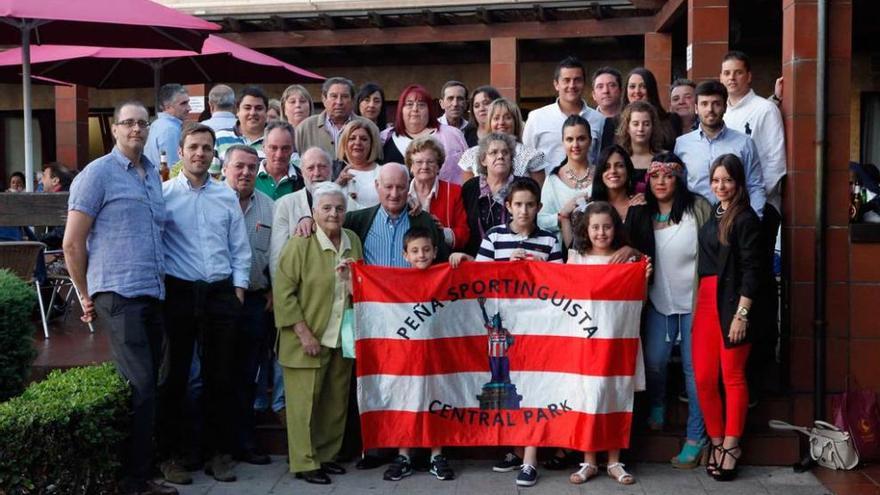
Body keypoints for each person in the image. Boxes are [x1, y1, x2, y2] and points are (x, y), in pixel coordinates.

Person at [63, 100, 176, 495]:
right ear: (114, 129)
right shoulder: (97, 175)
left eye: (142, 123)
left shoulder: (150, 176)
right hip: (118, 293)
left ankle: (145, 466)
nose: (135, 129)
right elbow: (72, 243)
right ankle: (133, 480)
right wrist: (83, 292)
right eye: (127, 123)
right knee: (143, 383)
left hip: (152, 292)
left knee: (156, 382)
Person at [450, 178, 562, 489]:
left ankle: (530, 459)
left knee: (534, 387)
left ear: (539, 207)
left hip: (536, 330)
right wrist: (470, 259)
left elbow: (564, 287)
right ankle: (514, 448)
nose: (524, 211)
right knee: (507, 385)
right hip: (504, 327)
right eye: (518, 205)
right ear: (507, 207)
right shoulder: (495, 237)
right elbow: (479, 279)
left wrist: (542, 268)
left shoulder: (550, 241)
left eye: (530, 205)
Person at [158, 123, 251, 485]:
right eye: (193, 147)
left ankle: (217, 454)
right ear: (180, 152)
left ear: (214, 154)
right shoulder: (164, 195)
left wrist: (238, 290)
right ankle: (172, 455)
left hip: (220, 293)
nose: (200, 153)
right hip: (179, 293)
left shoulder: (226, 196)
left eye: (206, 148)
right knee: (175, 378)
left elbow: (239, 248)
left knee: (220, 377)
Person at [273, 182, 362, 485]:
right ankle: (304, 461)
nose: (333, 214)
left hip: (342, 335)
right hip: (306, 338)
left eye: (339, 208)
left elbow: (361, 285)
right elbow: (283, 292)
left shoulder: (352, 240)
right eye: (326, 208)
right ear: (313, 212)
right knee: (304, 406)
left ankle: (326, 455)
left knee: (334, 402)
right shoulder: (301, 243)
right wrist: (303, 333)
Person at [720, 50, 787, 407]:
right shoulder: (723, 112)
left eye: (737, 72)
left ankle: (761, 375)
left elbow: (774, 165)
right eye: (726, 73)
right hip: (725, 212)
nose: (731, 78)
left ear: (749, 76)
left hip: (758, 213)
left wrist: (752, 213)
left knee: (756, 289)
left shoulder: (765, 110)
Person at [565, 201, 645, 487]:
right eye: (595, 227)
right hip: (586, 345)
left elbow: (641, 300)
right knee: (589, 398)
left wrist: (636, 260)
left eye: (607, 227)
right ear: (586, 229)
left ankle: (614, 460)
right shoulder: (576, 259)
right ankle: (589, 460)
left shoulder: (629, 261)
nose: (601, 233)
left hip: (618, 339)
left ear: (616, 229)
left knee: (617, 395)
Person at [641, 152, 713, 469]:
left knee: (694, 374)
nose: (661, 182)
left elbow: (715, 251)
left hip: (694, 305)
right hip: (658, 303)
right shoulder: (642, 212)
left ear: (679, 178)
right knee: (654, 361)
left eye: (668, 175)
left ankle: (696, 438)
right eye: (655, 176)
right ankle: (656, 403)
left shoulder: (698, 208)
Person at [694, 154, 763, 481]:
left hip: (733, 304)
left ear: (739, 183)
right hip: (706, 302)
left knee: (732, 377)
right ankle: (717, 441)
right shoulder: (714, 214)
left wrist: (742, 314)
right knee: (705, 378)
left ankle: (732, 446)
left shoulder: (746, 218)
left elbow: (753, 270)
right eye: (716, 180)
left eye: (728, 180)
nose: (721, 186)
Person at [382, 228, 456, 482]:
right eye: (414, 251)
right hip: (407, 357)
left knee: (437, 403)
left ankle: (437, 455)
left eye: (426, 250)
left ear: (435, 251)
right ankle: (404, 455)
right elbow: (370, 294)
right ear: (405, 255)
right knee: (406, 403)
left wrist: (463, 260)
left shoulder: (445, 276)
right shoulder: (397, 280)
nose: (421, 255)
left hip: (437, 356)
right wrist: (352, 278)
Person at [222, 144, 274, 467]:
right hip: (217, 300)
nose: (245, 173)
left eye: (252, 168)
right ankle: (217, 444)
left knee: (247, 376)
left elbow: (278, 255)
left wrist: (273, 289)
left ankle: (245, 442)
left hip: (255, 300)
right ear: (225, 168)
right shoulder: (213, 202)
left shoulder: (269, 207)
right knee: (216, 374)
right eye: (239, 166)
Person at [674, 80, 766, 217]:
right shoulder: (682, 144)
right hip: (695, 220)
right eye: (704, 104)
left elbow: (755, 186)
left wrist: (753, 219)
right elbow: (678, 187)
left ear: (725, 107)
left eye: (716, 104)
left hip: (733, 220)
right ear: (696, 108)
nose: (710, 109)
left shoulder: (744, 143)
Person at [559, 145, 651, 259]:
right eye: (606, 167)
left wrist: (632, 251)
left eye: (620, 166)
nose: (613, 171)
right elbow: (575, 253)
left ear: (628, 170)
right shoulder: (588, 209)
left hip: (629, 274)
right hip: (594, 274)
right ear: (600, 173)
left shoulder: (640, 206)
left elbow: (649, 254)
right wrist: (564, 216)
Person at [523, 56, 606, 168]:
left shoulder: (599, 120)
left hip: (588, 184)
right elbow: (523, 161)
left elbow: (601, 160)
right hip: (545, 184)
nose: (572, 85)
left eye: (577, 80)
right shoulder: (536, 117)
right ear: (556, 84)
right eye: (566, 80)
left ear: (584, 84)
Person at [380, 84, 468, 185]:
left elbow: (467, 173)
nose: (415, 109)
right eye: (409, 104)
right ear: (401, 109)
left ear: (429, 110)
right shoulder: (385, 138)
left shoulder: (453, 136)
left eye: (421, 105)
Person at [458, 98, 547, 184]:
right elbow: (467, 193)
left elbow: (539, 192)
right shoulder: (472, 155)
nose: (501, 122)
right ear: (489, 122)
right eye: (496, 118)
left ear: (515, 122)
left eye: (507, 118)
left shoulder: (531, 155)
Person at [405, 136, 469, 250]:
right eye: (419, 162)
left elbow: (464, 234)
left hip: (443, 260)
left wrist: (442, 232)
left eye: (430, 162)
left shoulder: (454, 191)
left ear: (438, 166)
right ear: (411, 167)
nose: (424, 166)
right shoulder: (402, 193)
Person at [460, 133, 518, 256]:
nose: (500, 156)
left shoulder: (522, 186)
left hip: (513, 260)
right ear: (483, 160)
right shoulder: (470, 188)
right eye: (493, 153)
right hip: (475, 262)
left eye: (505, 152)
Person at [537, 115, 595, 239]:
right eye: (570, 139)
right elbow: (540, 220)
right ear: (563, 142)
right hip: (561, 251)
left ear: (590, 141)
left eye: (581, 138)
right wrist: (563, 216)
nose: (575, 145)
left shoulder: (603, 175)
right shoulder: (553, 179)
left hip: (599, 250)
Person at [296, 77, 372, 158]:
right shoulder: (305, 128)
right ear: (324, 99)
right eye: (334, 96)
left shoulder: (368, 126)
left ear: (353, 100)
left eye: (345, 96)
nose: (339, 102)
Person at [622, 67, 682, 151]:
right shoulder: (615, 122)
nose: (637, 91)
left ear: (651, 89)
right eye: (632, 86)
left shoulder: (671, 120)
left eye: (643, 86)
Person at [335, 119, 383, 209]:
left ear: (371, 144)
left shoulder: (383, 172)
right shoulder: (335, 170)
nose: (357, 143)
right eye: (352, 138)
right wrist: (337, 184)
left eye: (364, 139)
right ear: (345, 143)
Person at [215, 86, 269, 162]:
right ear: (237, 111)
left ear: (266, 112)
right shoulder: (220, 138)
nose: (252, 113)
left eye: (259, 108)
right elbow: (214, 173)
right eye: (247, 108)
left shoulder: (277, 139)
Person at [616, 101, 664, 188]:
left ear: (653, 127)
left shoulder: (664, 158)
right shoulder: (618, 158)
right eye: (635, 124)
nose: (640, 129)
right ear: (627, 127)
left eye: (646, 124)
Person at [255, 120, 304, 200]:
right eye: (273, 148)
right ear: (263, 147)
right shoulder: (249, 175)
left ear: (293, 149)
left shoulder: (303, 179)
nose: (279, 155)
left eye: (285, 148)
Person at [145, 84, 190, 166]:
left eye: (188, 103)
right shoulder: (170, 129)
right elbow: (173, 167)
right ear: (167, 106)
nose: (189, 108)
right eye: (183, 103)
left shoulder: (157, 124)